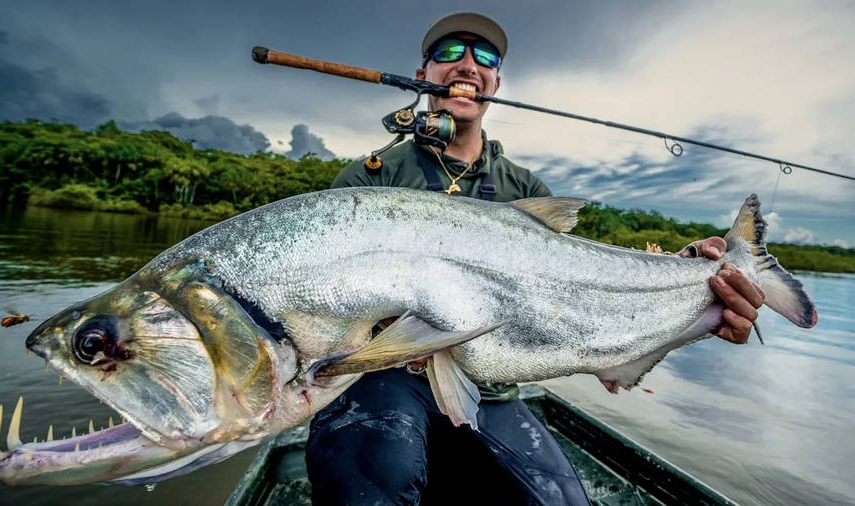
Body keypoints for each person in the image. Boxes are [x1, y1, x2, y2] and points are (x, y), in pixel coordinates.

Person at [306, 12, 765, 505]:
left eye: (484, 57)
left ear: (496, 82)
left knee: (562, 500)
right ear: (422, 76)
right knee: (373, 481)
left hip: (493, 389)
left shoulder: (525, 191)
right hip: (383, 380)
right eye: (448, 53)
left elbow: (577, 297)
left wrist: (694, 280)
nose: (466, 64)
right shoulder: (368, 180)